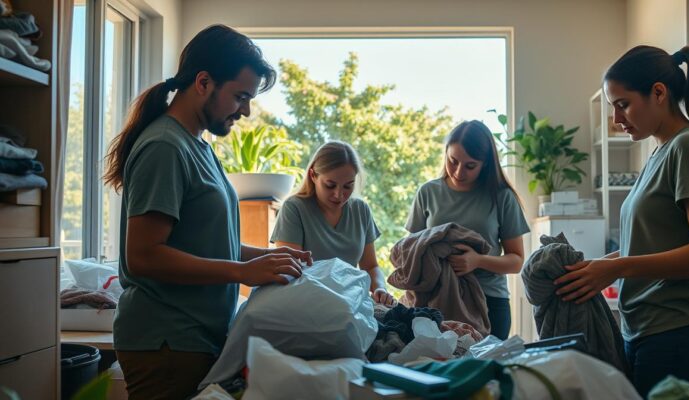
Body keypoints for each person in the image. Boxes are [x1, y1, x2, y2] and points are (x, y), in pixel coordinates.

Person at [103, 24, 312, 399]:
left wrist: (270, 258)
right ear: (203, 82)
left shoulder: (198, 146)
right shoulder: (165, 147)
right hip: (167, 342)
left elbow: (208, 243)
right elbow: (144, 256)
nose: (246, 110)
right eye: (240, 96)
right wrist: (243, 272)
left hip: (193, 340)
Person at [554, 45, 689, 396]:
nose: (617, 119)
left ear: (658, 93)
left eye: (623, 104)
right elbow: (654, 241)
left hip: (681, 335)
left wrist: (617, 269)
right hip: (647, 333)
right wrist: (596, 267)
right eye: (612, 108)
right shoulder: (659, 153)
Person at [406, 120, 530, 339]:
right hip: (434, 302)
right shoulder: (428, 192)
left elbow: (517, 261)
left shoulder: (501, 197)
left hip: (490, 302)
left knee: (483, 371)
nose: (458, 171)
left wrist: (478, 261)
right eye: (452, 161)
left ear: (486, 164)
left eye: (470, 166)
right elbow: (411, 252)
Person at [272, 141, 396, 306]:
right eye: (330, 185)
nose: (339, 195)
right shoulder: (294, 209)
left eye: (348, 186)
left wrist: (380, 289)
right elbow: (291, 272)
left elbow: (371, 266)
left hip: (351, 301)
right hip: (307, 302)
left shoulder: (361, 210)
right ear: (313, 176)